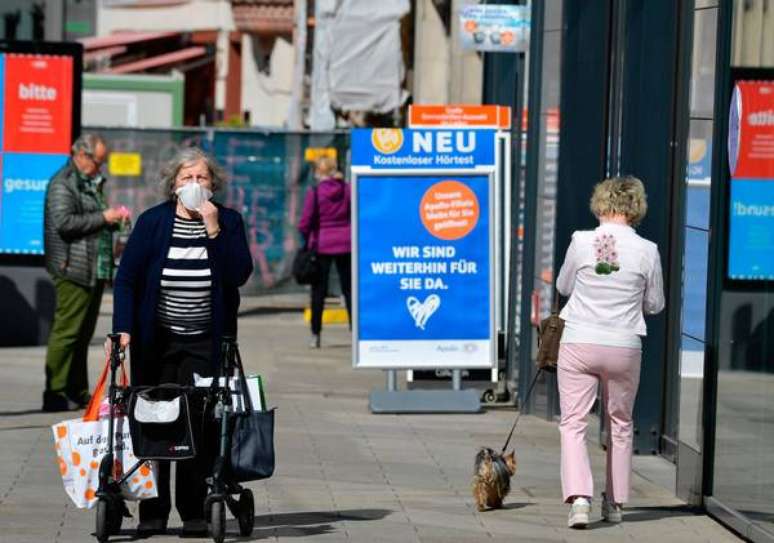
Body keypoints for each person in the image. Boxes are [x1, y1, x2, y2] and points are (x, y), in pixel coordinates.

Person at [110, 147, 253, 537]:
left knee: (198, 421)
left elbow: (238, 274)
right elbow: (127, 279)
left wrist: (213, 229)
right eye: (186, 178)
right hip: (157, 337)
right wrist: (123, 328)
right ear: (173, 185)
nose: (194, 185)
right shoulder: (153, 222)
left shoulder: (228, 222)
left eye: (201, 178)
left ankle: (194, 511)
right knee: (154, 419)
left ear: (213, 185)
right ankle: (152, 513)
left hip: (205, 339)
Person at [555, 176, 664, 528]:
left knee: (573, 422)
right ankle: (615, 503)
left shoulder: (581, 241)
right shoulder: (648, 250)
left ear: (600, 203)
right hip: (624, 344)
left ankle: (580, 500)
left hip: (579, 341)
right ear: (636, 209)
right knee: (620, 423)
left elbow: (564, 286)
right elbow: (655, 303)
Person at [43, 134, 129, 412]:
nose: (100, 168)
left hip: (94, 268)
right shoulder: (63, 183)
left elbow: (91, 220)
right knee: (67, 332)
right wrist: (105, 217)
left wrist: (114, 224)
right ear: (81, 154)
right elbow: (64, 223)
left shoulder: (89, 182)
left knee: (83, 333)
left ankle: (77, 390)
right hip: (72, 268)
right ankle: (54, 391)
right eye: (97, 161)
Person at [298, 156, 352, 348]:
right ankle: (355, 333)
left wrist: (306, 238)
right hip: (347, 243)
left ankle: (316, 334)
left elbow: (305, 221)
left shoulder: (315, 191)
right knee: (349, 289)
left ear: (319, 172)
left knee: (318, 291)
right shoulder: (347, 189)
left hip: (322, 245)